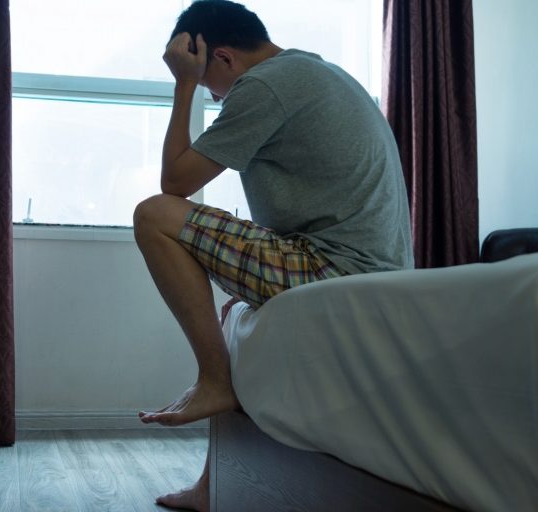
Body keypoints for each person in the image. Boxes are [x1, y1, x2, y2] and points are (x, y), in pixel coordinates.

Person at [131, 1, 413, 509]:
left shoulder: (264, 85)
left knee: (154, 216)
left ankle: (214, 379)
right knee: (233, 311)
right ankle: (212, 485)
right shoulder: (314, 71)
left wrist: (183, 85)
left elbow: (175, 182)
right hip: (366, 271)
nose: (216, 97)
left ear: (223, 56)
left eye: (210, 84)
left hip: (334, 271)